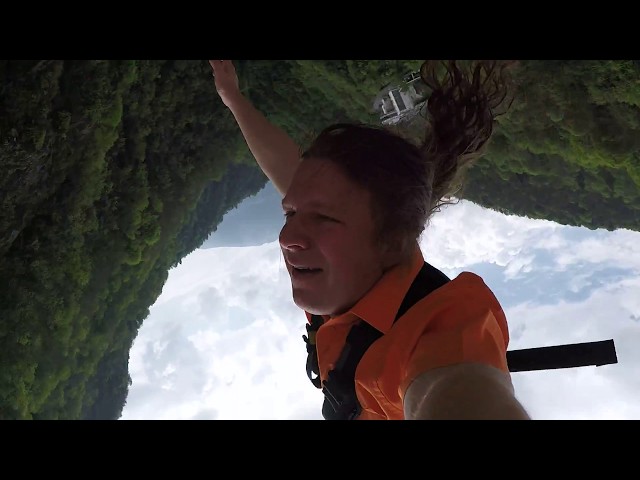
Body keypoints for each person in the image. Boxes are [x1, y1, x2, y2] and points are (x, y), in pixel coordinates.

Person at [208, 59, 531, 420]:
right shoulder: (353, 269)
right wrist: (232, 98)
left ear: (392, 239)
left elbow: (460, 389)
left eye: (324, 218)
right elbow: (288, 171)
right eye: (291, 213)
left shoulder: (436, 325)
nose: (287, 238)